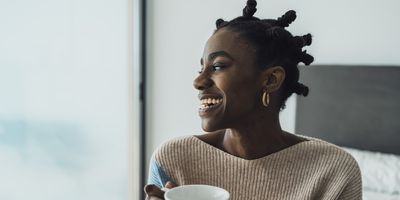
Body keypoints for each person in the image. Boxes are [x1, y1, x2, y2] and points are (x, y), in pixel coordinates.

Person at [144, 1, 362, 199]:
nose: (198, 81)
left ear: (270, 79)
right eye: (201, 68)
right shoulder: (173, 160)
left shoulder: (334, 172)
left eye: (218, 66)